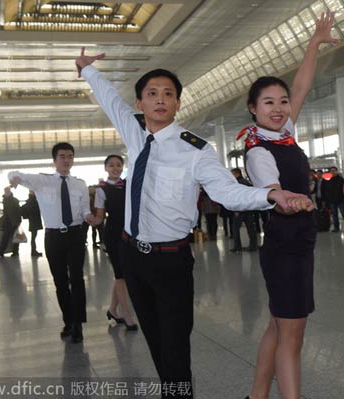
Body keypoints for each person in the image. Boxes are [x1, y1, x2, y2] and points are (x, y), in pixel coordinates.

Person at [76, 47, 310, 398]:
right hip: (132, 255)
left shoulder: (196, 150)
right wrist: (86, 70)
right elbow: (110, 99)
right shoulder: (135, 134)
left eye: (168, 94)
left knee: (175, 346)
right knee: (155, 343)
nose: (160, 100)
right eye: (152, 94)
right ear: (140, 103)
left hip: (170, 260)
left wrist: (270, 196)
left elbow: (227, 193)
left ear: (178, 103)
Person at [237, 12, 335, 399]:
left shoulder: (284, 134)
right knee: (292, 335)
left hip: (297, 243)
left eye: (282, 102)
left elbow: (302, 85)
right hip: (286, 245)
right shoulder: (258, 151)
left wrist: (313, 44)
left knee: (278, 327)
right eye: (268, 103)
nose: (279, 108)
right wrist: (289, 201)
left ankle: (257, 396)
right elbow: (271, 191)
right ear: (252, 108)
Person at [9, 142, 95, 343]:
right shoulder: (41, 181)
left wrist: (89, 215)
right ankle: (68, 321)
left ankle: (78, 325)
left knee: (76, 279)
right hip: (54, 237)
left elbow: (84, 208)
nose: (67, 160)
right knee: (60, 282)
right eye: (63, 156)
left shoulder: (79, 183)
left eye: (70, 156)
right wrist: (13, 179)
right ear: (54, 160)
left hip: (75, 234)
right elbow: (14, 172)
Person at [92, 154, 138, 331]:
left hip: (131, 233)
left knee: (123, 274)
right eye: (111, 165)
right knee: (121, 274)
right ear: (106, 168)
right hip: (113, 234)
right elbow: (99, 216)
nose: (115, 168)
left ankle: (112, 309)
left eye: (119, 165)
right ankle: (127, 315)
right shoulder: (102, 189)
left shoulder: (128, 184)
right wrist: (88, 218)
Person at [231, 168, 258, 252]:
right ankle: (253, 246)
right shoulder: (247, 183)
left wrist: (237, 210)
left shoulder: (237, 184)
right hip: (248, 208)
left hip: (240, 209)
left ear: (236, 174)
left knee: (235, 228)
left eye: (232, 174)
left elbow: (238, 198)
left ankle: (237, 246)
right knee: (251, 228)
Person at [0, 187, 21, 259]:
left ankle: (9, 252)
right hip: (9, 222)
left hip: (12, 222)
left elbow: (17, 211)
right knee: (7, 238)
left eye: (6, 191)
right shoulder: (6, 200)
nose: (5, 192)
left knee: (10, 238)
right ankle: (2, 252)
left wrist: (18, 221)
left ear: (9, 191)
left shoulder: (12, 200)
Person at [324, 166, 344, 232]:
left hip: (340, 200)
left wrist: (343, 197)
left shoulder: (341, 179)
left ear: (336, 171)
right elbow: (326, 189)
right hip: (332, 200)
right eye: (331, 171)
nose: (333, 172)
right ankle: (336, 227)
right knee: (334, 215)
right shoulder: (328, 180)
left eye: (334, 170)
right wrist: (328, 197)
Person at [22, 191, 44, 256]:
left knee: (33, 237)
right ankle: (33, 251)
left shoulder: (29, 201)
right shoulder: (34, 201)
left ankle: (33, 250)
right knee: (33, 237)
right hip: (34, 222)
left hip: (32, 221)